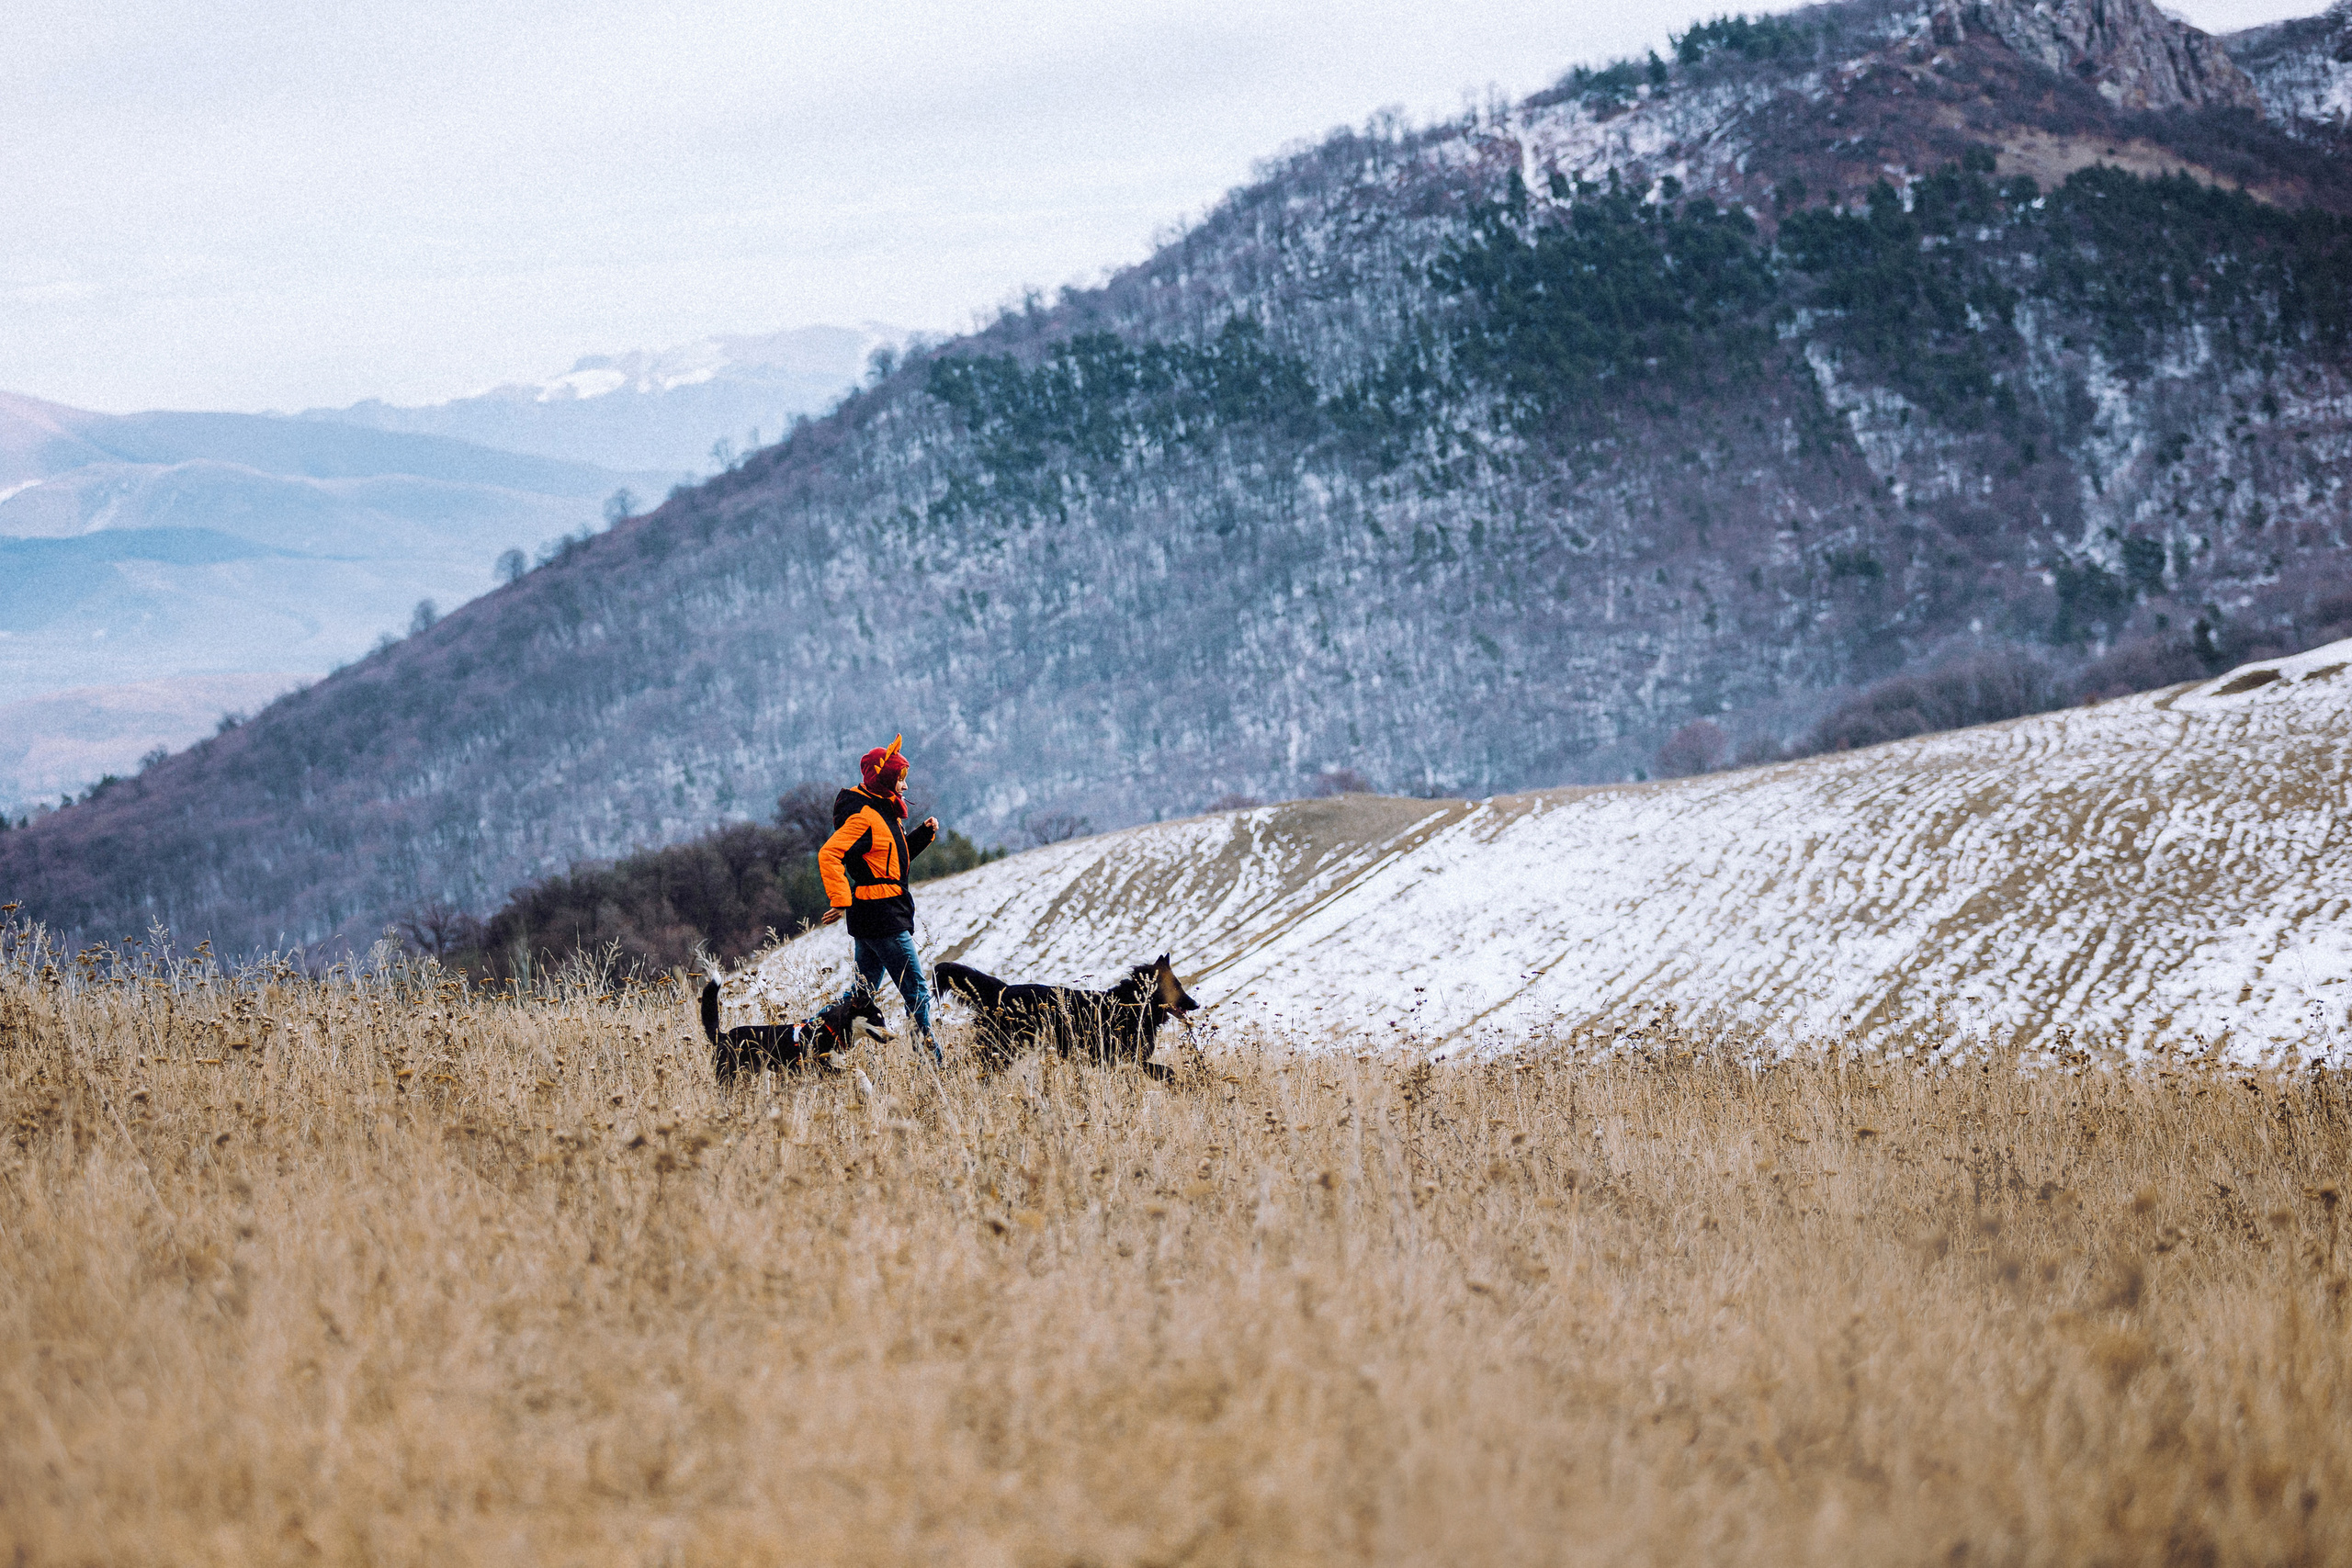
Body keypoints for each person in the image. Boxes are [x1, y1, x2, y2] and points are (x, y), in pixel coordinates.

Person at [818, 736, 943, 1064]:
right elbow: (829, 853)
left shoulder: (884, 813)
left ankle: (814, 1039)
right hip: (881, 916)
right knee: (916, 990)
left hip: (877, 913)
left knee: (861, 995)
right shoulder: (865, 817)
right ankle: (931, 1064)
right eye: (900, 778)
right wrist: (840, 898)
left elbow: (889, 866)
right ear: (885, 778)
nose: (905, 784)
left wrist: (922, 836)